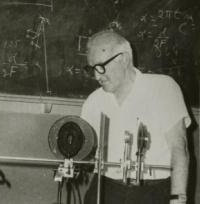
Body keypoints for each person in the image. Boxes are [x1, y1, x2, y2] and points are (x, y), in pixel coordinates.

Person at [80, 30, 190, 204]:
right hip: (106, 188)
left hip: (153, 191)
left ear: (123, 58)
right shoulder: (94, 101)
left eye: (101, 67)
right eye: (92, 69)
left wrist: (178, 198)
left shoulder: (163, 88)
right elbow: (87, 153)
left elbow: (179, 148)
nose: (96, 76)